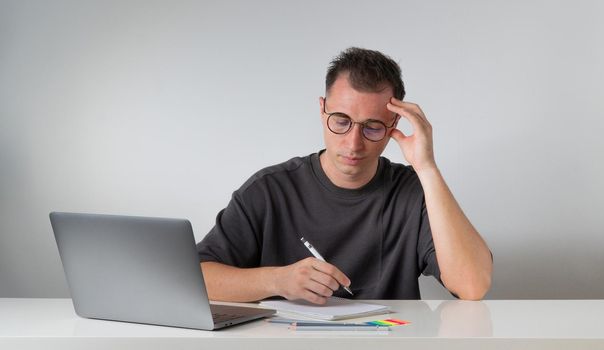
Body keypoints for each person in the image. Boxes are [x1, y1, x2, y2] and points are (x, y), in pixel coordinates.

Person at [197, 47, 493, 304]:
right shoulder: (269, 190)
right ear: (322, 110)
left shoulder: (414, 192)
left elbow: (472, 286)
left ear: (394, 126)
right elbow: (198, 277)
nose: (354, 143)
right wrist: (277, 281)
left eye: (373, 127)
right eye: (341, 121)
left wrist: (427, 168)